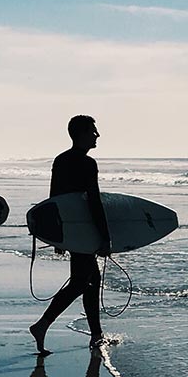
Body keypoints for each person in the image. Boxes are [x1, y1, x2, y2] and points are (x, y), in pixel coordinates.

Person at [29, 115, 111, 354]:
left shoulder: (61, 160)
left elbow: (54, 199)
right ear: (81, 133)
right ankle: (43, 325)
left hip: (71, 230)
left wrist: (58, 234)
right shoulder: (87, 164)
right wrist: (105, 237)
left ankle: (96, 334)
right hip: (84, 230)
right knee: (81, 282)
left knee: (89, 280)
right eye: (93, 131)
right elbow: (94, 202)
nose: (97, 135)